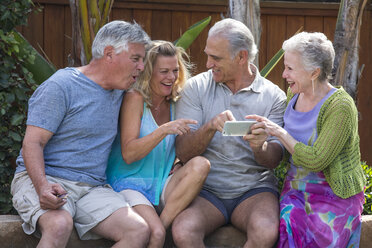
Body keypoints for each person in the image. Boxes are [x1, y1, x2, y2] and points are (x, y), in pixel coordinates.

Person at [11, 20, 152, 248]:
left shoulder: (121, 91)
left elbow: (168, 87)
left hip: (92, 188)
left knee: (137, 230)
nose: (142, 67)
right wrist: (43, 186)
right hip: (46, 178)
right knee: (59, 225)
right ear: (109, 54)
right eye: (135, 58)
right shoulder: (62, 86)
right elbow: (32, 143)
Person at [171, 18, 287, 247]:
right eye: (208, 55)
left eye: (216, 58)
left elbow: (275, 159)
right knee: (184, 231)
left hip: (254, 189)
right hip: (206, 189)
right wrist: (210, 127)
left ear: (242, 57)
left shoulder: (274, 97)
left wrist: (259, 146)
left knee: (265, 232)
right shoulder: (196, 88)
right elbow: (183, 152)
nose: (207, 64)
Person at [246, 32, 366, 247]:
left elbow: (317, 160)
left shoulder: (340, 106)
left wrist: (280, 133)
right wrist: (262, 140)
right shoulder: (294, 95)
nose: (284, 74)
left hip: (335, 194)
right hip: (296, 189)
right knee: (290, 221)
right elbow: (285, 153)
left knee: (319, 233)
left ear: (314, 72)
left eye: (290, 69)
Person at [106, 40, 211, 248]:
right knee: (156, 234)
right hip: (130, 183)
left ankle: (160, 227)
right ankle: (158, 231)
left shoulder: (175, 102)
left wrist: (178, 161)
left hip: (161, 184)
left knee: (201, 165)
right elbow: (129, 153)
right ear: (148, 72)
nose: (171, 77)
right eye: (164, 71)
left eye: (175, 71)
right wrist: (163, 130)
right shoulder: (135, 99)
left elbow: (180, 146)